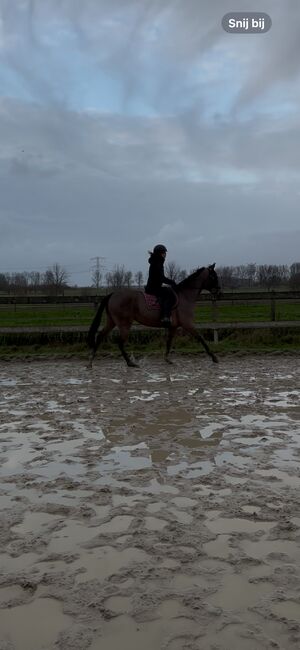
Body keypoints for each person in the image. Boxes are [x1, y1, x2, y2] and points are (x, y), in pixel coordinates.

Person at [144, 244, 177, 326]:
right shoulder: (157, 263)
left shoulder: (157, 261)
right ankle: (165, 316)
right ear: (159, 253)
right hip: (153, 288)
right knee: (169, 293)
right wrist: (172, 282)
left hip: (153, 286)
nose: (165, 254)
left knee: (167, 291)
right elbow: (161, 278)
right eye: (164, 253)